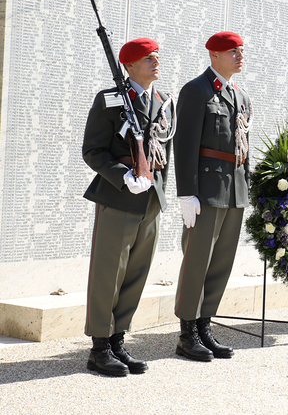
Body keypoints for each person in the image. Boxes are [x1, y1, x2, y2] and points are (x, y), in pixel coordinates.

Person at [81, 37, 174, 376]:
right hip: (119, 197)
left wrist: (161, 191)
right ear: (130, 65)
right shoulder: (110, 100)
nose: (156, 62)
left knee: (136, 273)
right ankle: (99, 348)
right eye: (148, 58)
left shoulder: (163, 101)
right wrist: (123, 176)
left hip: (150, 199)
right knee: (109, 273)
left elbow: (164, 152)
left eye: (157, 57)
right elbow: (93, 151)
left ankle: (118, 340)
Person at [173, 31, 251, 362]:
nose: (240, 56)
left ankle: (205, 326)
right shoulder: (197, 90)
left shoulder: (240, 95)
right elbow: (184, 144)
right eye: (233, 51)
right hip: (205, 191)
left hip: (234, 190)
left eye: (241, 51)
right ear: (214, 55)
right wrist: (186, 193)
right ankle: (187, 333)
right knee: (197, 261)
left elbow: (243, 146)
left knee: (221, 263)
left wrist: (247, 186)